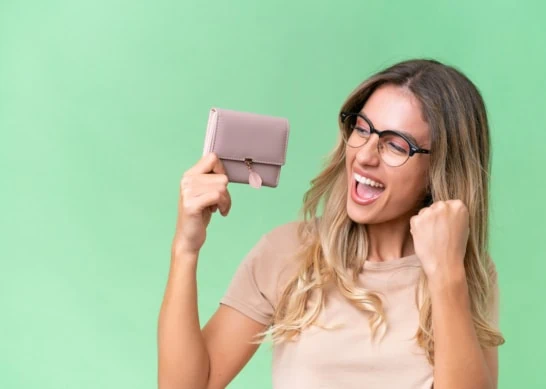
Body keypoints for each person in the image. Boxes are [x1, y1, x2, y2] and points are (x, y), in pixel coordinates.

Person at [157, 58, 505, 389]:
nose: (365, 156)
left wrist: (446, 275)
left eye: (396, 146)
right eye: (362, 129)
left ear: (440, 169)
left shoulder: (463, 272)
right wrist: (185, 248)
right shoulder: (288, 252)